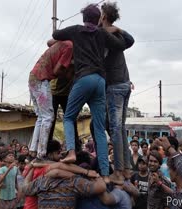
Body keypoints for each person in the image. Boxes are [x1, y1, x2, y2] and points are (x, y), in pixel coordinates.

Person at [52, 4, 127, 183]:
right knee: (100, 129)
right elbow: (121, 44)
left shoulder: (77, 30)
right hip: (100, 81)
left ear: (84, 18)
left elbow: (55, 35)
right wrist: (114, 30)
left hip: (83, 78)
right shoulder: (102, 34)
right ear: (98, 19)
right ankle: (105, 174)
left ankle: (71, 151)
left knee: (69, 117)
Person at [98, 2, 135, 185]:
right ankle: (127, 168)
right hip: (124, 84)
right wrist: (117, 28)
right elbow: (130, 40)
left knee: (114, 128)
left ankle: (119, 171)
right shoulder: (116, 35)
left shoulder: (104, 35)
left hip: (115, 86)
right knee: (119, 128)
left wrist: (112, 29)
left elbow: (129, 41)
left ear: (103, 16)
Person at [28, 38, 73, 159]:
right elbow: (57, 70)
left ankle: (33, 151)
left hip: (33, 76)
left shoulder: (61, 43)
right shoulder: (69, 47)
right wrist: (68, 70)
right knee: (48, 117)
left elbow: (48, 42)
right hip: (42, 80)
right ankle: (41, 154)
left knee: (41, 117)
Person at [21, 170, 106, 209]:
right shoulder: (75, 182)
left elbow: (25, 188)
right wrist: (97, 176)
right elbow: (101, 187)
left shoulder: (41, 181)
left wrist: (31, 168)